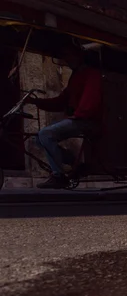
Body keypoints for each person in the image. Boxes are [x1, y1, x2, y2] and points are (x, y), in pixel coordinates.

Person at [26, 41, 102, 189]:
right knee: (39, 139)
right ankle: (76, 164)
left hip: (87, 120)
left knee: (46, 134)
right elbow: (61, 100)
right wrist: (38, 102)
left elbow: (91, 99)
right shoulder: (75, 77)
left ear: (79, 56)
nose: (67, 61)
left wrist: (79, 114)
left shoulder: (92, 74)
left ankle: (58, 175)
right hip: (78, 119)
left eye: (69, 56)